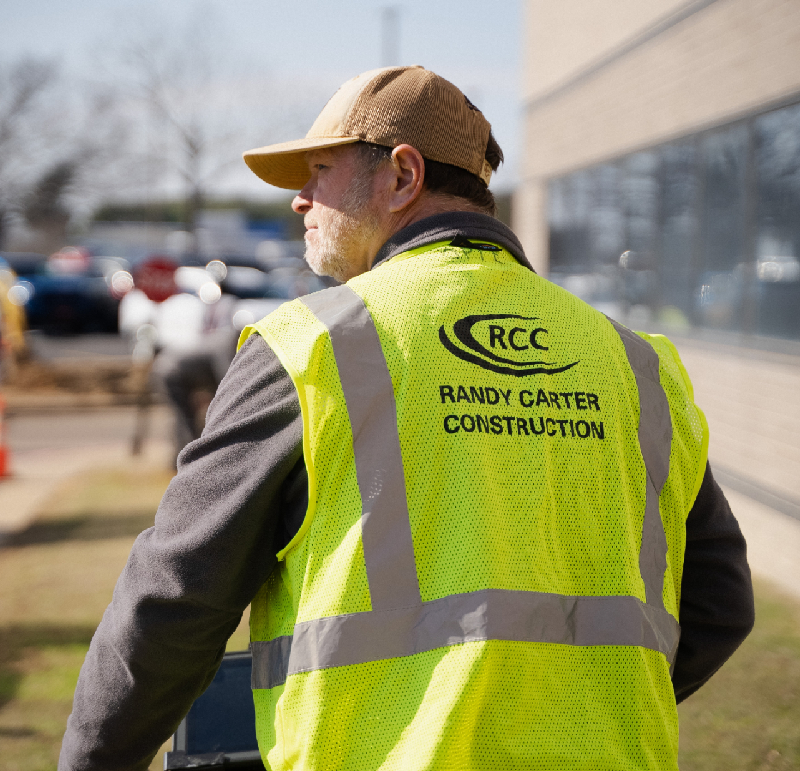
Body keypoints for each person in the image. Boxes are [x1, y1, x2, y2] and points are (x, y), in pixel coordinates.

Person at [60, 66, 754, 771]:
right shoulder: (634, 364)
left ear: (401, 175)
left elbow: (174, 598)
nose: (300, 201)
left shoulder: (312, 348)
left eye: (319, 171)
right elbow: (719, 604)